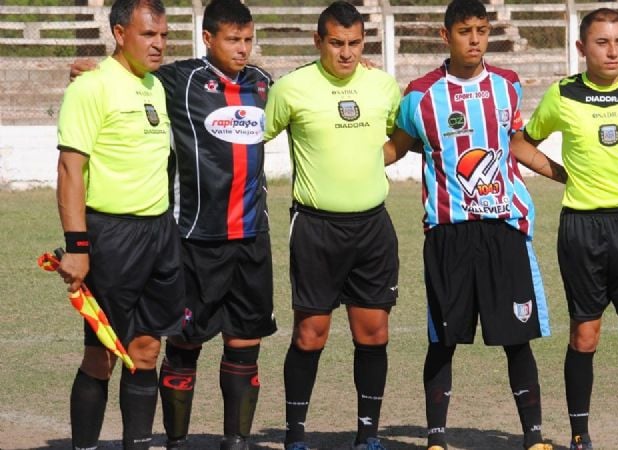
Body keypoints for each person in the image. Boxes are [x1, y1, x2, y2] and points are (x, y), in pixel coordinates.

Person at [70, 1, 278, 448]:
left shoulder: (263, 84)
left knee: (213, 344)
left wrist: (362, 67)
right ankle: (172, 441)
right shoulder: (176, 79)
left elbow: (304, 95)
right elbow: (121, 78)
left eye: (248, 40)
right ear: (208, 39)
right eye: (232, 40)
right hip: (184, 239)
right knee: (145, 348)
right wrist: (90, 71)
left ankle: (232, 440)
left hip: (241, 237)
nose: (243, 49)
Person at [383, 1, 566, 449]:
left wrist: (562, 172)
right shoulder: (420, 96)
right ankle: (436, 439)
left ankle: (535, 437)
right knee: (443, 339)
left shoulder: (507, 86)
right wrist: (348, 161)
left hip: (503, 228)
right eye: (465, 31)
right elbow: (398, 146)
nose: (475, 39)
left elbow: (516, 143)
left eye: (482, 30)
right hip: (449, 232)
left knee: (516, 338)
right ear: (445, 36)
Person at [515, 7, 618, 450]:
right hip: (581, 229)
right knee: (584, 335)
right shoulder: (563, 94)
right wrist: (562, 174)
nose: (611, 50)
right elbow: (521, 145)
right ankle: (579, 437)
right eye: (601, 42)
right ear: (581, 47)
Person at [262, 2, 401, 450]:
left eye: (355, 44)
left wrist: (367, 163)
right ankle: (295, 435)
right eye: (337, 44)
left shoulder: (383, 85)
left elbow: (402, 135)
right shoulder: (291, 88)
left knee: (373, 332)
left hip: (372, 228)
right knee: (310, 334)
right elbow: (252, 133)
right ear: (318, 41)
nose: (347, 53)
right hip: (316, 228)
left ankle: (368, 436)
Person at [55, 1, 184, 449]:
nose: (159, 45)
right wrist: (77, 245)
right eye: (149, 35)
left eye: (164, 36)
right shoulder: (90, 88)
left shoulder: (156, 86)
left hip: (160, 234)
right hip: (111, 236)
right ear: (119, 33)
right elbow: (70, 169)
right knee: (101, 354)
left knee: (146, 351)